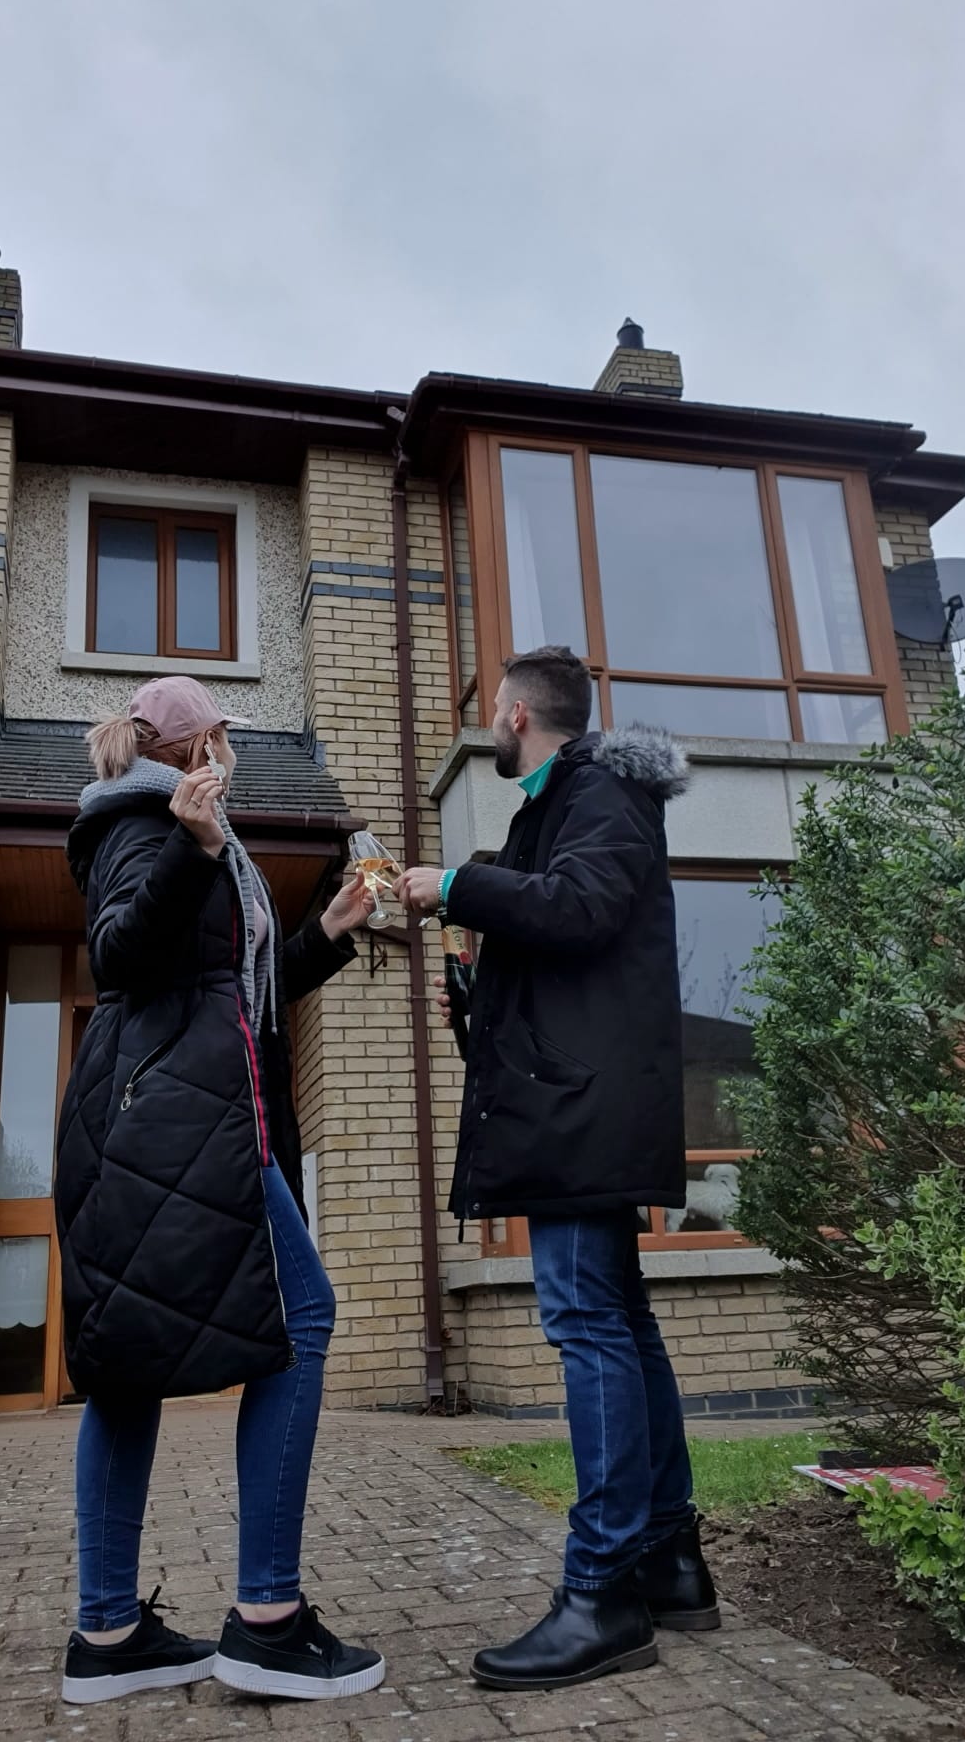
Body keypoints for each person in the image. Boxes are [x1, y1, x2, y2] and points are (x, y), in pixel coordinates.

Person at [54, 675, 384, 1706]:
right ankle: (270, 1619)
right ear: (196, 747)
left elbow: (222, 992)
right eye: (223, 738)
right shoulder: (142, 823)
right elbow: (122, 957)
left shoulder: (186, 828)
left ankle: (108, 1635)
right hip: (175, 1125)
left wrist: (324, 933)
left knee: (127, 1366)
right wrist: (195, 853)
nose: (229, 754)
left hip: (171, 1117)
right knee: (306, 1318)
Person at [397, 645, 719, 1692]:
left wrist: (454, 883)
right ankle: (669, 1563)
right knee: (621, 1322)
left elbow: (579, 910)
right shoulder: (557, 805)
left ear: (516, 711)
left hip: (582, 1117)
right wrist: (470, 960)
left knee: (588, 1324)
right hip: (572, 1105)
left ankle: (604, 1590)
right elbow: (555, 950)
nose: (488, 720)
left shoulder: (602, 788)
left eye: (490, 708)